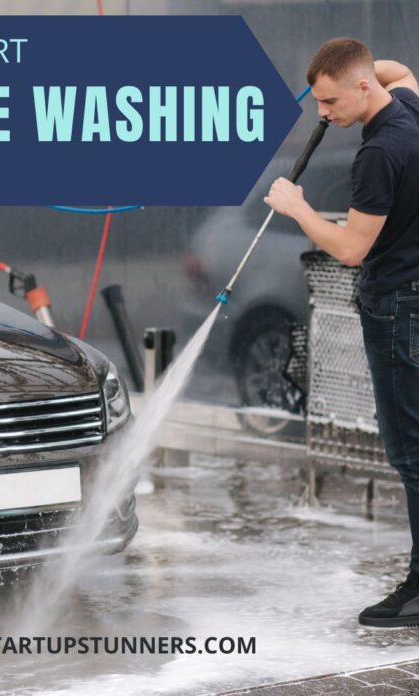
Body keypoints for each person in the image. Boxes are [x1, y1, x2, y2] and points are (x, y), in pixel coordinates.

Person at [264, 37, 419, 628]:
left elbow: (353, 249)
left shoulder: (380, 152)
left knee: (410, 452)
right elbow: (399, 68)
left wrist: (297, 206)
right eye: (317, 104)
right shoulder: (406, 106)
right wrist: (350, 77)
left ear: (359, 88)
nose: (322, 116)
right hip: (412, 301)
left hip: (398, 307)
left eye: (329, 103)